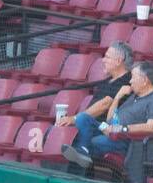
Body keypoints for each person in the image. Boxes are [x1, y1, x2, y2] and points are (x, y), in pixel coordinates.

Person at [63, 60, 153, 183]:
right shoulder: (134, 96)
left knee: (91, 142)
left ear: (144, 80)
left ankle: (76, 175)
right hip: (111, 130)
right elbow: (110, 119)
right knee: (83, 118)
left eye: (133, 77)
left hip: (126, 140)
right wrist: (118, 97)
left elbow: (151, 127)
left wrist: (121, 129)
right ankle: (83, 152)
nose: (130, 81)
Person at [57, 42, 134, 173]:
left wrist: (76, 118)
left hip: (109, 130)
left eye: (107, 57)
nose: (103, 60)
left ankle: (76, 179)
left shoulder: (127, 80)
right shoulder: (107, 80)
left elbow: (104, 104)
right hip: (94, 127)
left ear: (119, 61)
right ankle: (73, 176)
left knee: (82, 132)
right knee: (68, 140)